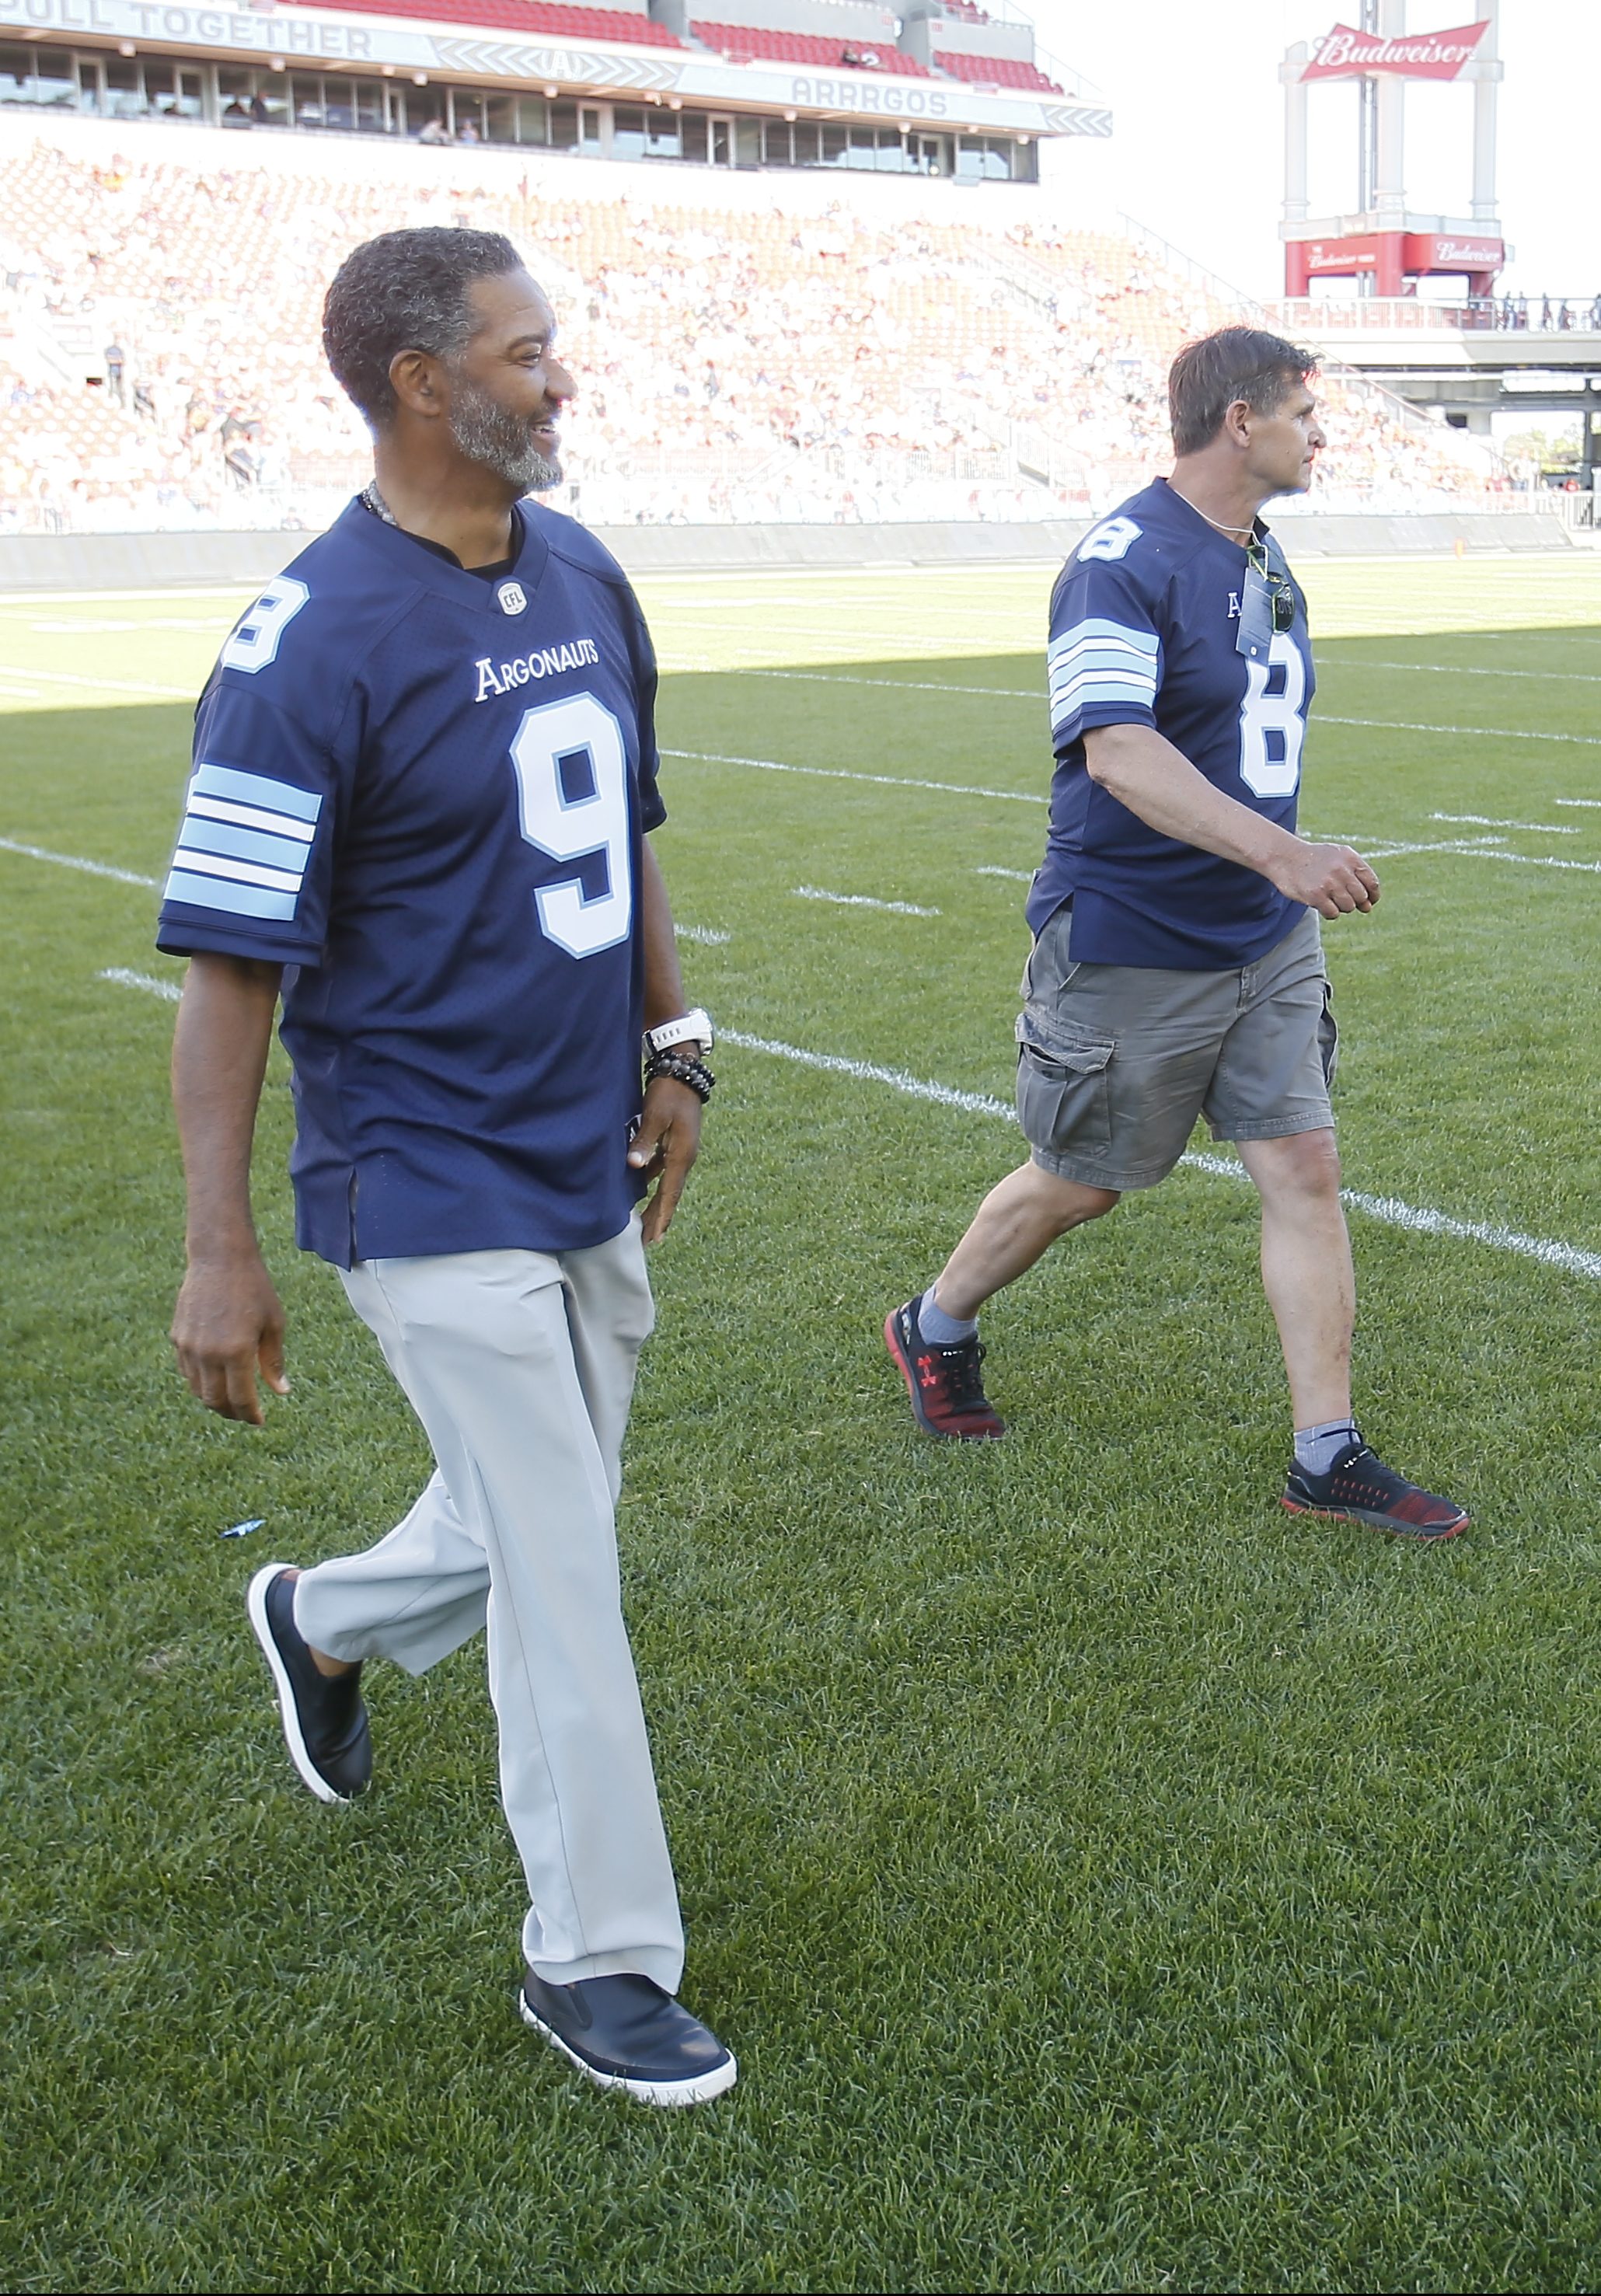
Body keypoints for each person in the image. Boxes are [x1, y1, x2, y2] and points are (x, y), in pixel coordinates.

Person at [157, 227, 736, 2106]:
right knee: (562, 1566)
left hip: (577, 1139)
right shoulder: (309, 641)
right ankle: (598, 1958)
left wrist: (671, 1039)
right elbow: (231, 965)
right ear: (422, 383)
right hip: (418, 1168)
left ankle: (320, 1619)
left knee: (530, 1512)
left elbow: (625, 826)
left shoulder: (579, 568)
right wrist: (218, 1246)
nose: (561, 377)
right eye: (523, 350)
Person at [884, 326, 1468, 1541]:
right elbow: (1119, 750)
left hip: (1265, 935)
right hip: (1135, 935)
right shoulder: (1122, 560)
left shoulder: (1259, 550)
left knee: (1304, 1165)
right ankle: (933, 1322)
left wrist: (1276, 877)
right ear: (1239, 421)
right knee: (1082, 1182)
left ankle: (1325, 1453)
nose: (1322, 435)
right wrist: (1284, 854)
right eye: (1304, 414)